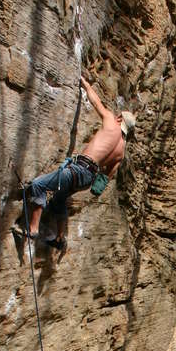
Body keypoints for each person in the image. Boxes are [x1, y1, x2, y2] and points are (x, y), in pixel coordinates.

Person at [25, 75, 136, 251]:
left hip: (77, 169)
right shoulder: (121, 152)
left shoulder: (110, 122)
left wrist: (85, 84)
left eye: (119, 116)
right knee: (59, 199)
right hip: (87, 179)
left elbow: (96, 103)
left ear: (120, 120)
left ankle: (33, 229)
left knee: (39, 185)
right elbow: (105, 177)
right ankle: (60, 238)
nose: (116, 116)